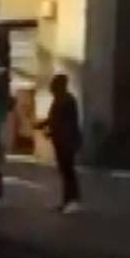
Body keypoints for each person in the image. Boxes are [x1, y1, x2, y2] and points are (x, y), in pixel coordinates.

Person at [38, 73, 83, 213]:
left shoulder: (66, 100)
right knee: (65, 171)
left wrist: (49, 130)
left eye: (53, 85)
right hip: (61, 140)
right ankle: (67, 201)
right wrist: (43, 125)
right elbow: (54, 119)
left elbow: (64, 123)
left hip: (67, 142)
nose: (51, 88)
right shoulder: (60, 99)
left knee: (68, 171)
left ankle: (73, 200)